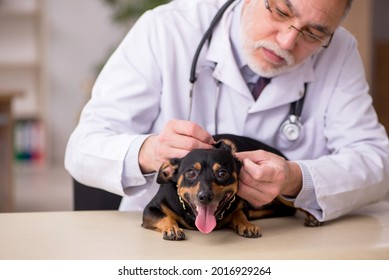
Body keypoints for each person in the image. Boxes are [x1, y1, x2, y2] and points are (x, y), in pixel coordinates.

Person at [65, 0, 389, 223]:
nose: (288, 41)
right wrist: (148, 151)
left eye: (314, 33)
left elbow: (377, 161)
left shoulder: (340, 51)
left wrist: (296, 178)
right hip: (166, 236)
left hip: (277, 240)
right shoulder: (167, 29)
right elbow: (82, 148)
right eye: (279, 10)